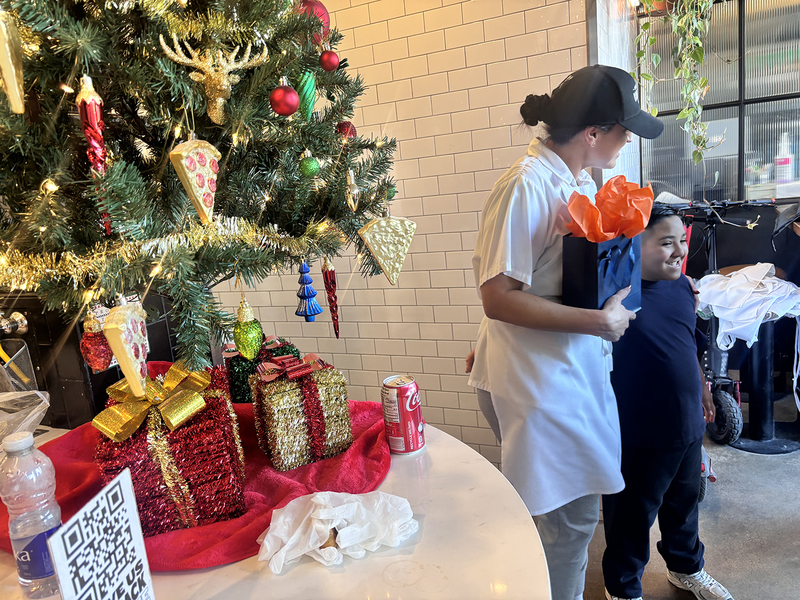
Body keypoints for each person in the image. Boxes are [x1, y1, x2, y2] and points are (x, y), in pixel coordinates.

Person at [468, 64, 663, 600]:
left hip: (564, 373)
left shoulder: (575, 181)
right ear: (593, 133)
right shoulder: (525, 185)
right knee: (566, 528)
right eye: (625, 131)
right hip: (540, 384)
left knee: (570, 526)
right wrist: (599, 322)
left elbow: (552, 277)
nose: (627, 142)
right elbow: (497, 297)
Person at [602, 203, 734, 600]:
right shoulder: (612, 299)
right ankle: (623, 589)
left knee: (684, 506)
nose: (679, 250)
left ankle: (685, 567)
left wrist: (704, 388)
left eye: (681, 241)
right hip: (639, 432)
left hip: (688, 424)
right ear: (633, 246)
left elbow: (689, 342)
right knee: (630, 517)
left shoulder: (682, 286)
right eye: (665, 242)